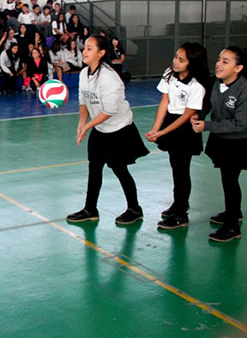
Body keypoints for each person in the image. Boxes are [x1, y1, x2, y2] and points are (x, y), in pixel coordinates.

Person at [67, 35, 149, 225]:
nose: (84, 52)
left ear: (101, 53)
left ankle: (135, 209)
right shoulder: (84, 74)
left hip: (119, 129)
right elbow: (84, 101)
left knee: (119, 169)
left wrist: (88, 125)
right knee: (94, 168)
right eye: (84, 48)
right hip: (100, 128)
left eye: (89, 48)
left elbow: (109, 110)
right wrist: (81, 123)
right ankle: (90, 209)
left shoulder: (109, 77)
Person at [191, 46, 247, 242]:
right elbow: (208, 104)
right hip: (222, 138)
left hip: (240, 142)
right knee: (226, 178)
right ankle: (233, 213)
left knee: (230, 181)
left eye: (225, 61)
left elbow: (240, 124)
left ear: (238, 68)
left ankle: (232, 226)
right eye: (219, 59)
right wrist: (200, 114)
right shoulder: (216, 82)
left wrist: (207, 125)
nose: (219, 64)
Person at [145, 42, 209, 230]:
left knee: (182, 170)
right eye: (176, 57)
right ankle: (178, 203)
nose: (176, 62)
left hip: (184, 128)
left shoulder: (197, 85)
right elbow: (164, 102)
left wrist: (163, 132)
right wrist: (156, 129)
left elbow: (188, 115)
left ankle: (181, 213)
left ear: (192, 63)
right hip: (170, 122)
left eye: (182, 60)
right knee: (175, 166)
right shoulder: (169, 74)